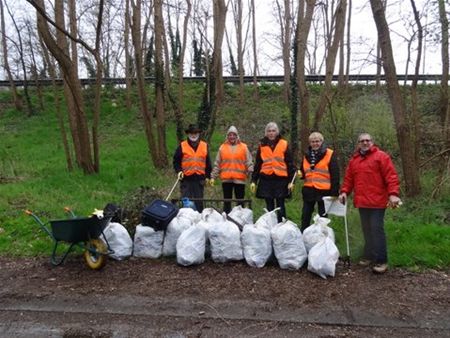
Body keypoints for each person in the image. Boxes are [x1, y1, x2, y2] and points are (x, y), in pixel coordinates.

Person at [339, 133, 401, 274]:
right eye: (362, 141)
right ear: (358, 144)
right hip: (362, 201)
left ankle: (381, 261)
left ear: (372, 142)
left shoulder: (381, 157)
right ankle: (368, 255)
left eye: (368, 140)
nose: (365, 143)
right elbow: (349, 179)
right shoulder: (354, 161)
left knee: (376, 229)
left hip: (378, 201)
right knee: (366, 229)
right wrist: (344, 192)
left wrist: (393, 194)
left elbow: (391, 176)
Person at [251, 122, 296, 223]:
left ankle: (282, 225)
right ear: (266, 133)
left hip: (280, 180)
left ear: (277, 132)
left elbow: (290, 163)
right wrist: (253, 180)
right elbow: (258, 164)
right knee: (269, 207)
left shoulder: (284, 144)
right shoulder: (262, 145)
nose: (271, 133)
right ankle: (271, 226)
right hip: (266, 179)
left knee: (280, 205)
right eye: (269, 131)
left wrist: (291, 181)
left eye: (273, 131)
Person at [299, 132, 340, 232]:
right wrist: (301, 173)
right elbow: (303, 170)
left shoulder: (329, 154)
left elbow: (335, 174)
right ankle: (304, 235)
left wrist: (335, 192)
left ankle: (323, 237)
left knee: (323, 216)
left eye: (317, 141)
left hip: (324, 191)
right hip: (309, 189)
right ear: (310, 143)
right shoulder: (306, 155)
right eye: (312, 142)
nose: (315, 144)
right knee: (305, 215)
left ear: (322, 141)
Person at [210, 126, 254, 213]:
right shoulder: (222, 148)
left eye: (234, 135)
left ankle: (239, 220)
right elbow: (217, 164)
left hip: (240, 179)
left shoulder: (244, 147)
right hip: (226, 180)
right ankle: (226, 219)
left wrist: (251, 175)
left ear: (237, 136)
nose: (232, 137)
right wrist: (213, 177)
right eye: (230, 135)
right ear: (227, 136)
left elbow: (249, 162)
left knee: (240, 202)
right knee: (227, 202)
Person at [173, 124, 212, 212]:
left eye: (195, 133)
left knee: (199, 203)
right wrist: (179, 171)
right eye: (191, 133)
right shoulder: (182, 145)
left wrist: (208, 176)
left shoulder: (204, 145)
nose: (193, 135)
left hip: (199, 180)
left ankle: (199, 222)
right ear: (188, 134)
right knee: (186, 203)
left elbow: (208, 163)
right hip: (186, 179)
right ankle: (186, 222)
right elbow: (176, 161)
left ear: (198, 134)